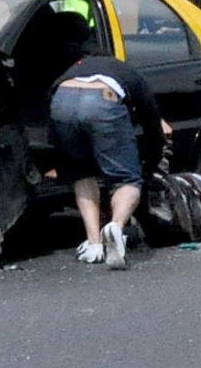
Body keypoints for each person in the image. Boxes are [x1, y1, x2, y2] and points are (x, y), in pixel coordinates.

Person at [48, 55, 165, 270]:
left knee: (82, 174)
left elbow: (52, 121)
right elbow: (153, 128)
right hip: (102, 98)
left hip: (61, 98)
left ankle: (94, 244)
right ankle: (116, 227)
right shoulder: (132, 75)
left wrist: (59, 163)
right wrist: (149, 165)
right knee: (126, 179)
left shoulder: (75, 67)